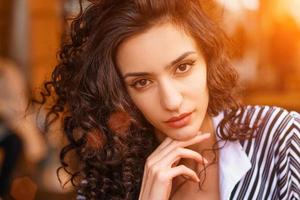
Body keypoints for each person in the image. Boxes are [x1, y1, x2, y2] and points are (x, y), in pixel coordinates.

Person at [34, 0, 300, 199]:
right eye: (142, 82)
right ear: (121, 93)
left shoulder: (280, 138)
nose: (171, 101)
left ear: (208, 59)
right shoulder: (105, 184)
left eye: (182, 67)